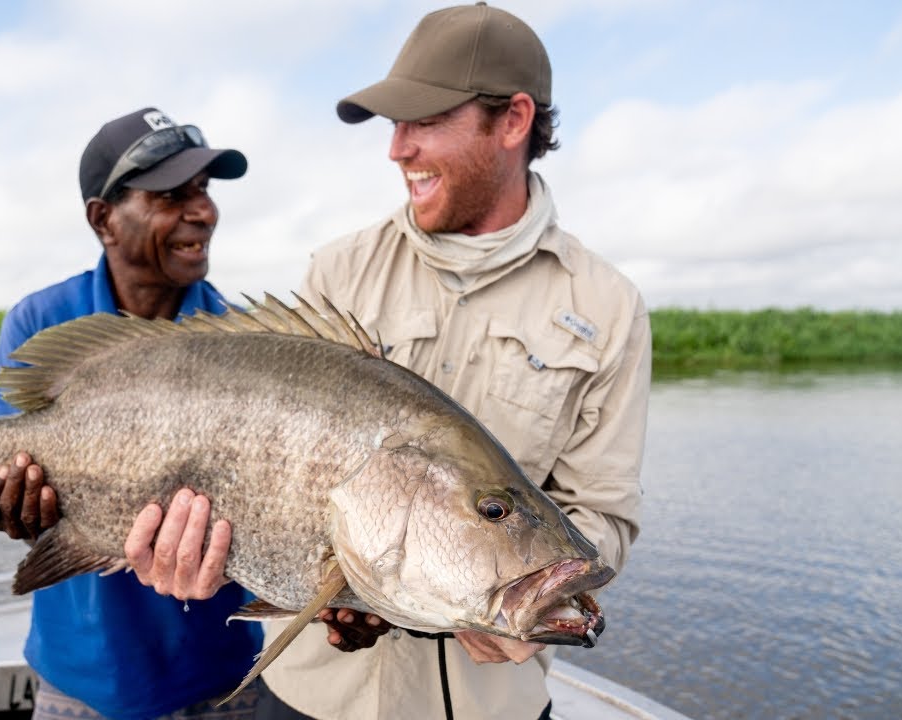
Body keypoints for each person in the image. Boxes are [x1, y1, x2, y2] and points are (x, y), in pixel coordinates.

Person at [253, 4, 652, 719]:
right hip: (313, 697)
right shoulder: (337, 272)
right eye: (393, 126)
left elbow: (606, 519)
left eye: (424, 120)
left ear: (512, 121)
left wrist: (536, 590)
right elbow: (264, 476)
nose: (397, 149)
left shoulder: (609, 307)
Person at [0, 107, 262, 720]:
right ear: (103, 219)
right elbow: (15, 488)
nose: (203, 211)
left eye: (204, 191)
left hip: (225, 683)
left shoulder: (243, 347)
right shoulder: (40, 323)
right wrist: (16, 509)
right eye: (170, 195)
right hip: (80, 686)